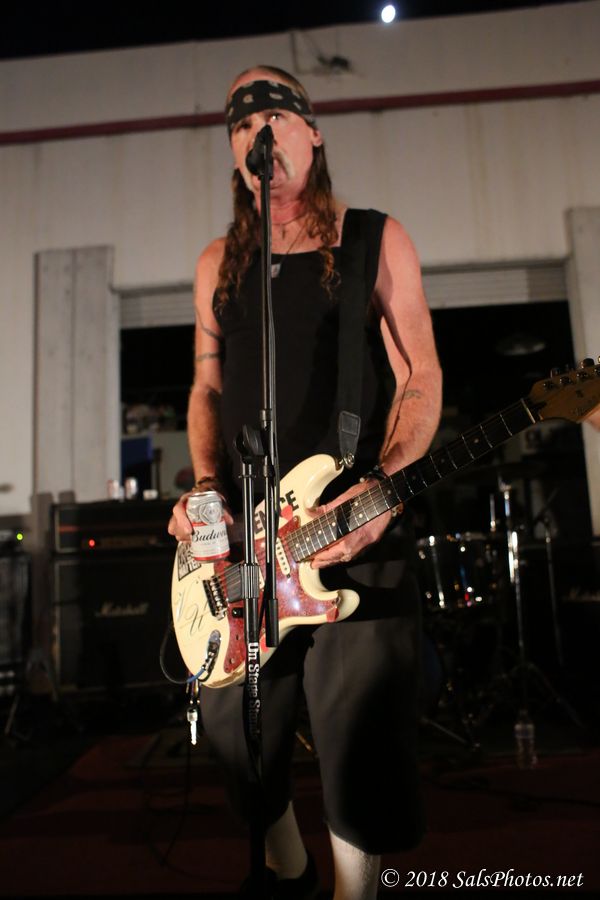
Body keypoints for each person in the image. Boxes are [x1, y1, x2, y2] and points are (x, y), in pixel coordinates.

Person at [168, 65, 442, 900]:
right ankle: (287, 867)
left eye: (276, 112)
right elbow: (206, 388)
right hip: (245, 540)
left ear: (312, 134)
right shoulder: (218, 262)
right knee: (232, 724)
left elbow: (421, 374)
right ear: (233, 152)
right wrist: (204, 487)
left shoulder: (374, 239)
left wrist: (385, 487)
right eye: (241, 120)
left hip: (349, 521)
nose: (260, 130)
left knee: (358, 733)